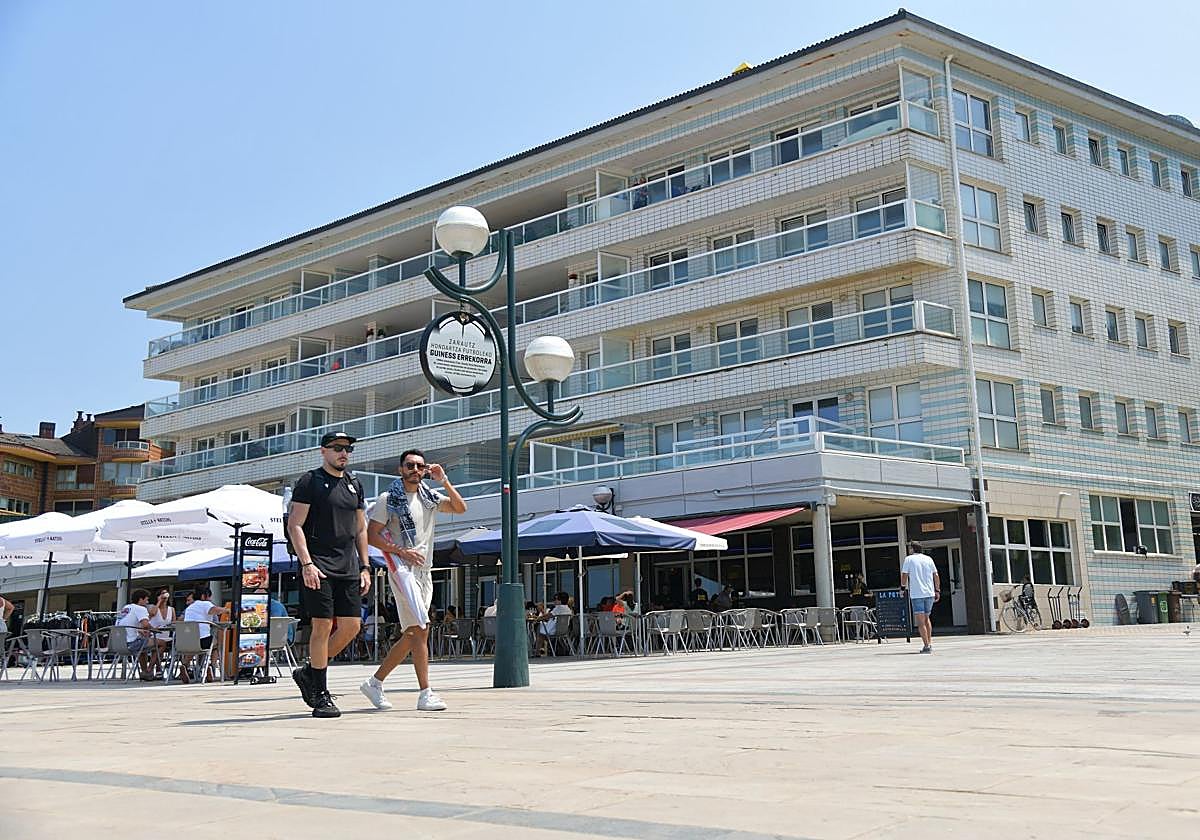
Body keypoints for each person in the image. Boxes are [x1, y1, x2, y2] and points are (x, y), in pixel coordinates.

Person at [360, 448, 466, 712]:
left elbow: (460, 508)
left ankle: (375, 682)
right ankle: (425, 692)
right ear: (401, 469)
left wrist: (444, 480)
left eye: (420, 466)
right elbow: (371, 535)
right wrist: (400, 551)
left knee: (414, 633)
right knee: (421, 629)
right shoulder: (389, 499)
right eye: (410, 466)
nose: (415, 470)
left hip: (424, 571)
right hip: (402, 571)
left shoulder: (430, 497)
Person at [288, 431, 372, 718]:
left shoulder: (354, 484)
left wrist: (365, 566)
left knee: (351, 627)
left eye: (348, 448)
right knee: (322, 625)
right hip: (318, 563)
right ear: (323, 451)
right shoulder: (310, 482)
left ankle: (310, 672)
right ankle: (321, 694)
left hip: (348, 565)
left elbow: (361, 528)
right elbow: (295, 525)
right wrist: (307, 563)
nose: (344, 453)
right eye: (337, 448)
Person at [900, 541, 940, 654]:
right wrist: (937, 590)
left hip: (917, 594)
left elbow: (904, 575)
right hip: (929, 593)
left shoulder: (909, 559)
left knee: (921, 622)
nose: (909, 550)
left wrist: (902, 588)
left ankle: (926, 646)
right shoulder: (928, 559)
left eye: (909, 548)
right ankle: (929, 643)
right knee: (927, 619)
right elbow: (936, 575)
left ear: (912, 549)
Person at [183, 586, 226, 683]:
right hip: (202, 641)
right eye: (209, 597)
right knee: (216, 645)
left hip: (185, 642)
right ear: (203, 596)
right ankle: (210, 666)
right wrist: (226, 610)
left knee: (193, 646)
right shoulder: (205, 603)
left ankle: (185, 665)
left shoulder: (189, 608)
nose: (210, 599)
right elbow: (215, 610)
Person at [115, 589, 154, 680]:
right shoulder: (141, 609)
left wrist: (139, 631)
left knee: (142, 645)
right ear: (140, 599)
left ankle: (144, 672)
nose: (147, 603)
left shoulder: (126, 608)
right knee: (161, 643)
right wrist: (154, 629)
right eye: (146, 600)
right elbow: (145, 625)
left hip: (118, 644)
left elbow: (126, 626)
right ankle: (149, 669)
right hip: (131, 644)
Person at [148, 588, 175, 669]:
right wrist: (159, 601)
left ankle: (156, 669)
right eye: (162, 593)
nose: (164, 595)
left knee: (161, 646)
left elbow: (173, 623)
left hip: (166, 636)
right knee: (159, 646)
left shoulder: (171, 609)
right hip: (154, 635)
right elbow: (152, 613)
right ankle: (156, 668)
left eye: (165, 593)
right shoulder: (153, 608)